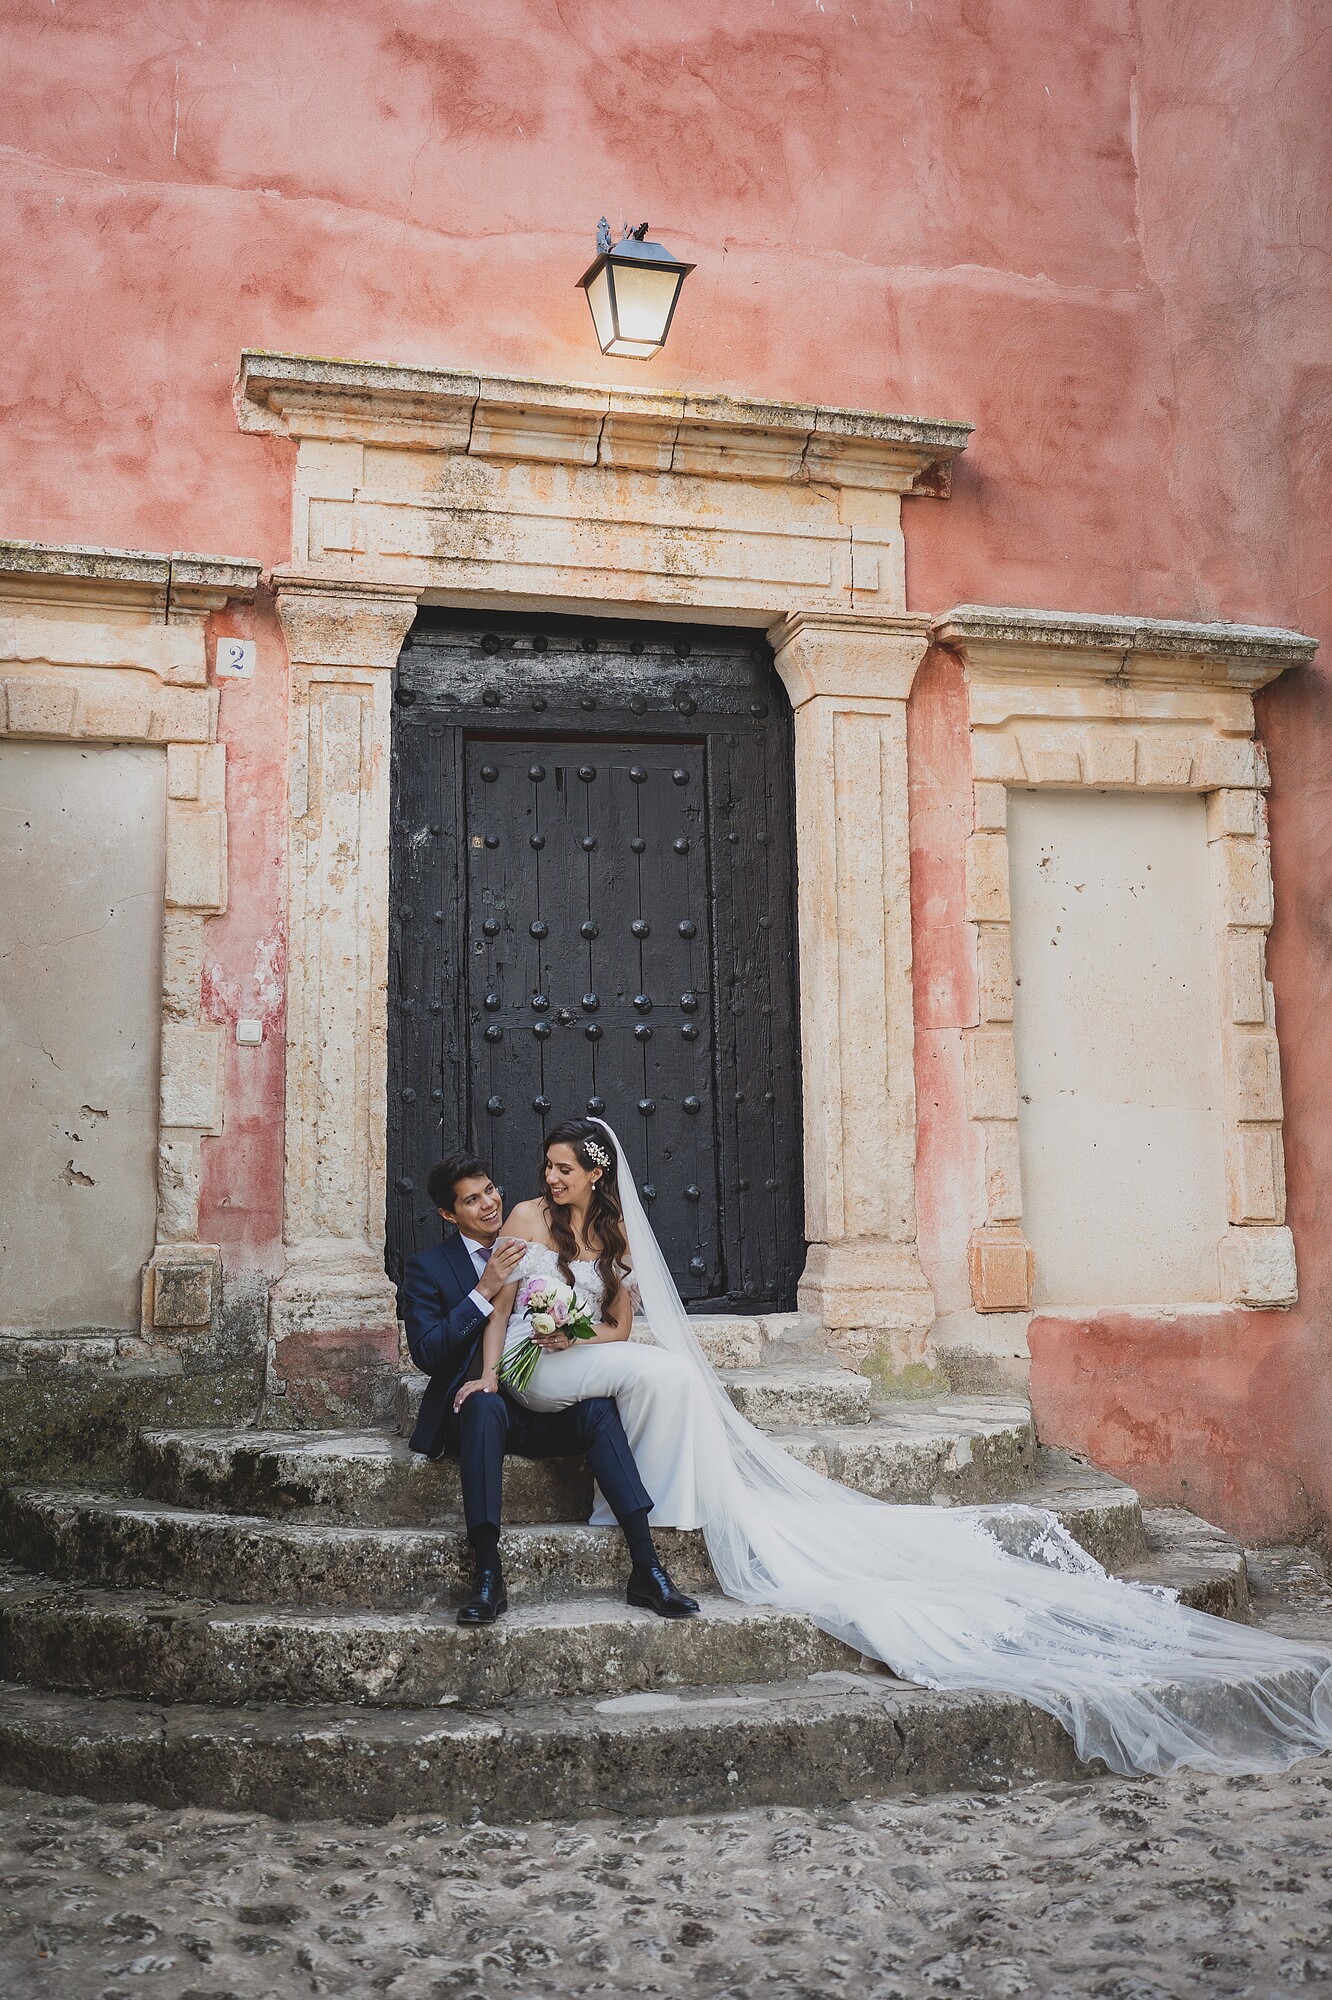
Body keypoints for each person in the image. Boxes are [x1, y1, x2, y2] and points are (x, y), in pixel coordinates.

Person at [484, 1114, 1332, 1781]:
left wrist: (586, 1328)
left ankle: (667, 1500)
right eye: (549, 1166)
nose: (547, 1178)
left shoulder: (619, 1236)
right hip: (534, 1362)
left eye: (562, 1167)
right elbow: (499, 1301)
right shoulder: (526, 1220)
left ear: (595, 1172)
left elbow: (618, 1326)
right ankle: (663, 1503)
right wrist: (504, 1362)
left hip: (584, 1354)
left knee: (664, 1372)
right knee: (661, 1377)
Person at [398, 1150, 699, 1625]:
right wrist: (484, 1287)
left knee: (600, 1409)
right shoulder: (427, 1268)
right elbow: (429, 1353)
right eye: (472, 1200)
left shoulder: (541, 1235)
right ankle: (487, 1575)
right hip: (486, 1405)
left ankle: (648, 1568)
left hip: (549, 1392)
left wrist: (574, 1329)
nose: (489, 1204)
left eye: (491, 1190)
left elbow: (603, 1317)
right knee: (481, 1405)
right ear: (447, 1213)